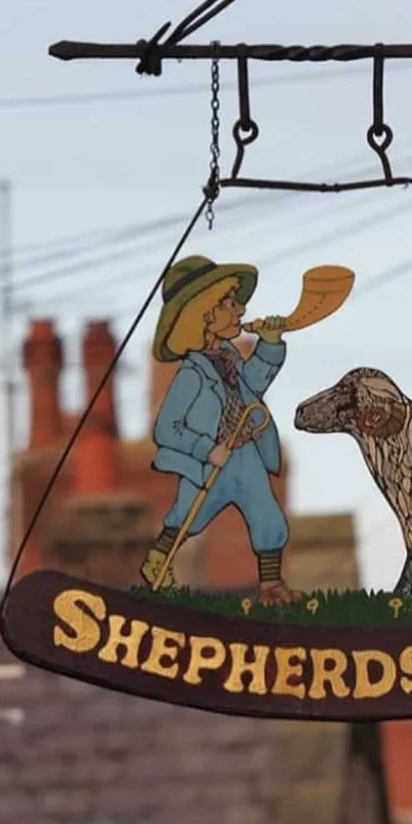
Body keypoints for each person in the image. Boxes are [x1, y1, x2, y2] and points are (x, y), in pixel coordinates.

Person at [140, 254, 299, 606]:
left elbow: (253, 383)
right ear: (204, 315)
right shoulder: (191, 374)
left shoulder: (229, 357)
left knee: (268, 516)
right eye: (229, 302)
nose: (240, 310)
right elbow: (167, 428)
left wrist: (270, 344)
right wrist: (206, 449)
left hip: (245, 452)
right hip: (211, 461)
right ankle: (157, 567)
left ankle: (271, 586)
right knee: (187, 517)